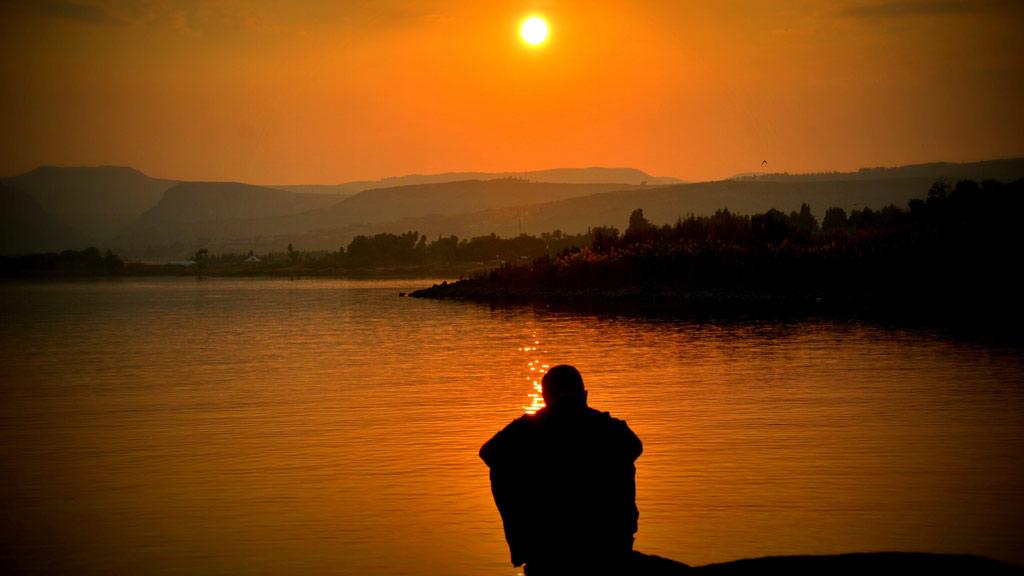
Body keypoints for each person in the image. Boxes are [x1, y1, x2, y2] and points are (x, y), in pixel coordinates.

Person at [480, 365, 643, 575]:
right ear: (584, 395)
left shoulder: (527, 429)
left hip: (548, 539)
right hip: (608, 538)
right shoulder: (610, 428)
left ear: (545, 397)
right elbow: (635, 447)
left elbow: (488, 453)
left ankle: (525, 543)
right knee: (621, 459)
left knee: (502, 467)